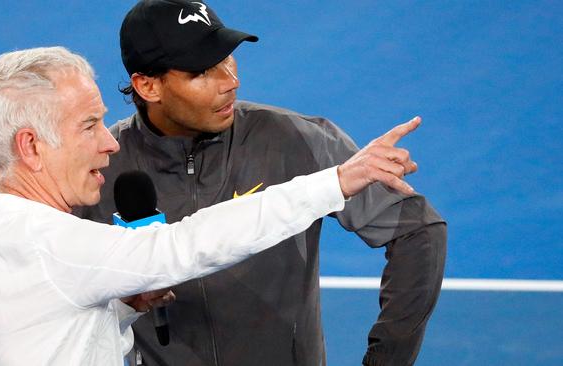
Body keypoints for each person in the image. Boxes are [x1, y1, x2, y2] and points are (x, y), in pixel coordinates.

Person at [0, 46, 421, 366]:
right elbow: (190, 244)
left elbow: (38, 325)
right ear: (31, 146)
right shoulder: (59, 250)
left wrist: (117, 307)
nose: (110, 143)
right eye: (88, 125)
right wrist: (336, 181)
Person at [76, 1, 448, 365]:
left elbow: (418, 232)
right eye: (202, 71)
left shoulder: (297, 139)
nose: (230, 82)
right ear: (148, 87)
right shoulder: (99, 167)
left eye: (226, 59)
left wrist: (386, 358)